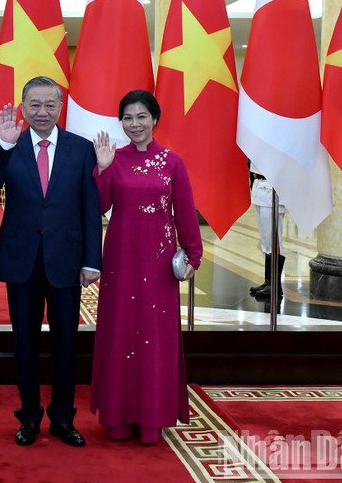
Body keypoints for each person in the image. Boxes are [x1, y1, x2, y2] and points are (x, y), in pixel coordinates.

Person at [0, 76, 102, 448]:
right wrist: (1, 144)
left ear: (60, 107)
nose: (42, 112)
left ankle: (63, 418)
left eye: (50, 105)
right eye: (34, 105)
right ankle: (29, 417)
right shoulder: (9, 146)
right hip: (22, 261)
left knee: (66, 343)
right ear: (22, 107)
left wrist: (92, 260)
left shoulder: (81, 149)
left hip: (66, 258)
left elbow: (90, 208)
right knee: (24, 342)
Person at [90, 90, 202, 445]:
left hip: (157, 262)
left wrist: (193, 256)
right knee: (120, 331)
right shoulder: (113, 158)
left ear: (155, 118)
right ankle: (118, 417)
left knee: (155, 335)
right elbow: (99, 205)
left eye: (141, 117)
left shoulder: (172, 161)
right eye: (127, 118)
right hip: (120, 259)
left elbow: (185, 212)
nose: (134, 124)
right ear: (120, 122)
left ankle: (152, 418)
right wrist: (103, 169)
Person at [248, 163, 285, 300]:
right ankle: (269, 281)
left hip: (272, 188)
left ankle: (275, 285)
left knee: (274, 240)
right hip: (259, 185)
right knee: (265, 241)